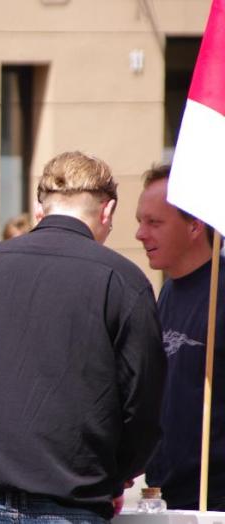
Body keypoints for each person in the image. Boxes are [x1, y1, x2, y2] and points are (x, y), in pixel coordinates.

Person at [0, 151, 167, 523]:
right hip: (67, 498)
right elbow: (142, 404)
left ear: (40, 208)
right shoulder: (123, 280)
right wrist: (114, 475)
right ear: (107, 212)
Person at [136, 164, 225, 510]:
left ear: (194, 225)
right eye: (141, 221)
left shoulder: (220, 288)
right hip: (168, 495)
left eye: (154, 223)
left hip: (214, 500)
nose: (140, 234)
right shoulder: (168, 291)